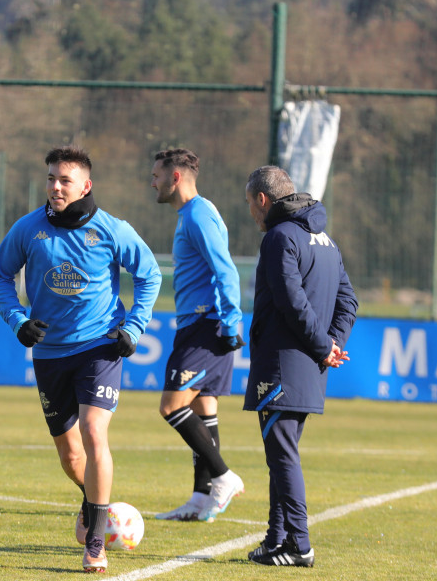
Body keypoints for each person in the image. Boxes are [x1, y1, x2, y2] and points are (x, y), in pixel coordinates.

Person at [0, 145, 161, 573]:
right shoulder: (29, 229)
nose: (55, 186)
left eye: (64, 180)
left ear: (86, 185)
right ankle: (94, 502)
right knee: (70, 456)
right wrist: (16, 319)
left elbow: (150, 274)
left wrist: (135, 326)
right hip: (49, 353)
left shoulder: (111, 229)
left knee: (93, 431)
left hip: (99, 347)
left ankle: (97, 544)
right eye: (50, 178)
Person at [243, 166, 357, 567]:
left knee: (283, 457)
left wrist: (324, 345)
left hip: (281, 367)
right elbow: (349, 303)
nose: (251, 215)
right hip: (309, 367)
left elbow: (291, 302)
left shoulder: (279, 237)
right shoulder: (325, 241)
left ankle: (299, 545)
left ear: (262, 200)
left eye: (250, 204)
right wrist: (332, 345)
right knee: (282, 455)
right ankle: (277, 538)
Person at [149, 148, 245, 522]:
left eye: (156, 174)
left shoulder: (199, 214)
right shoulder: (192, 213)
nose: (151, 181)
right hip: (198, 324)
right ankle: (200, 498)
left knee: (172, 406)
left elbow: (226, 270)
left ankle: (223, 477)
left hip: (207, 326)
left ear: (176, 177)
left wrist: (230, 322)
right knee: (204, 408)